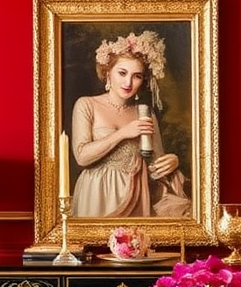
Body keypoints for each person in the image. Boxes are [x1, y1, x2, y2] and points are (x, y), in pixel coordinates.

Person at [70, 30, 190, 219]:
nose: (128, 82)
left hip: (136, 192)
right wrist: (123, 133)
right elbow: (82, 157)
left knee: (134, 246)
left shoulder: (145, 113)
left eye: (137, 76)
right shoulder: (87, 104)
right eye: (122, 73)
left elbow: (154, 167)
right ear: (108, 72)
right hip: (96, 192)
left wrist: (172, 162)